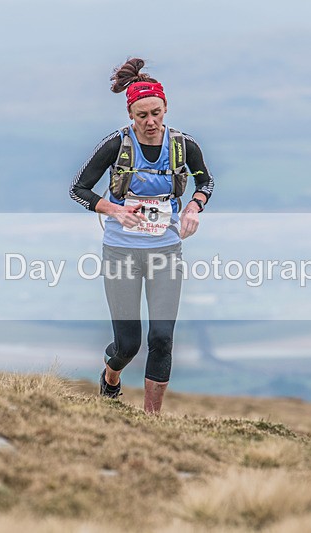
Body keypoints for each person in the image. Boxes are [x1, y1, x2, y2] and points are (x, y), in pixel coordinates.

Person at [69, 58, 214, 414]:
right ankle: (111, 379)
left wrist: (193, 207)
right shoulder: (116, 145)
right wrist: (115, 210)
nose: (150, 122)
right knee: (128, 345)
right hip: (121, 252)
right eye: (142, 115)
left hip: (166, 250)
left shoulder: (183, 146)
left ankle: (152, 419)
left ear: (166, 109)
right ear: (130, 114)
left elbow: (205, 181)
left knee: (162, 338)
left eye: (156, 113)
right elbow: (78, 189)